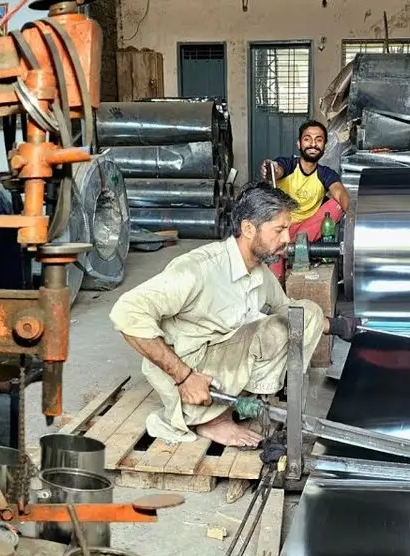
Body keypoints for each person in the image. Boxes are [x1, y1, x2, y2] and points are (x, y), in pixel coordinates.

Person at [109, 184, 360, 448]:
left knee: (305, 312)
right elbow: (126, 311)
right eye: (279, 230)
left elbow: (288, 309)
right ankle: (212, 420)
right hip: (192, 370)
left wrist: (337, 325)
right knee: (272, 331)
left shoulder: (258, 272)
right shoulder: (198, 269)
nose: (288, 238)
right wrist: (184, 377)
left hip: (222, 359)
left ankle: (245, 402)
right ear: (249, 228)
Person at [260, 120, 350, 278]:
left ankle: (290, 247)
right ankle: (285, 250)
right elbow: (277, 170)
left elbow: (340, 192)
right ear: (299, 144)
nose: (313, 144)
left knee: (337, 204)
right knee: (276, 279)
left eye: (319, 140)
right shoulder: (288, 165)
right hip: (283, 228)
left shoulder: (325, 174)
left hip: (308, 229)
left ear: (324, 146)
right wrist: (271, 169)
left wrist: (355, 218)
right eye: (307, 139)